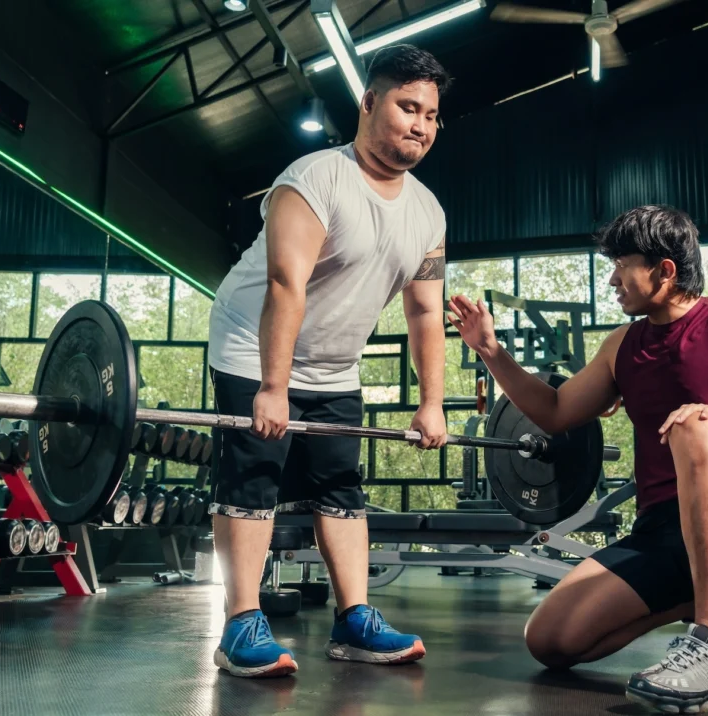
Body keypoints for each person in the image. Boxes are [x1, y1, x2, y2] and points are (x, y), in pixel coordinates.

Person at [448, 205, 708, 712]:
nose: (613, 280)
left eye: (622, 265)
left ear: (665, 270)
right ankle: (703, 595)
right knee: (549, 641)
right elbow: (556, 412)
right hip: (661, 528)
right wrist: (491, 351)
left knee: (696, 423)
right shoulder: (622, 345)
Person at [206, 44, 452, 678]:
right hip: (252, 346)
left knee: (341, 485)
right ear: (368, 103)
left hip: (335, 364)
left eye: (430, 114)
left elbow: (425, 312)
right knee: (254, 477)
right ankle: (240, 622)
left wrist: (431, 403)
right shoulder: (314, 179)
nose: (420, 125)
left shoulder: (427, 212)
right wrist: (273, 387)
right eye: (407, 107)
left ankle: (355, 619)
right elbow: (286, 283)